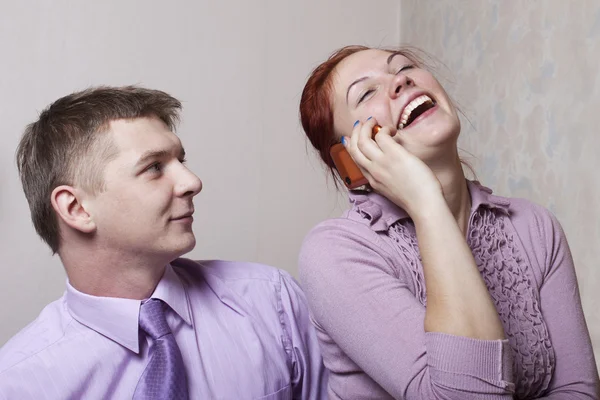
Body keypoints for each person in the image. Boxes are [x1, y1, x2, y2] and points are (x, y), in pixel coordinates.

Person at [298, 45, 600, 399]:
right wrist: (426, 202)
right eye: (366, 93)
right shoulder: (335, 252)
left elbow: (577, 391)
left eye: (404, 66)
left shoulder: (534, 226)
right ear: (350, 160)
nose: (401, 80)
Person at [0, 86, 327, 400]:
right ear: (77, 208)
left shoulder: (272, 303)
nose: (192, 182)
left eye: (180, 161)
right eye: (154, 167)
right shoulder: (20, 383)